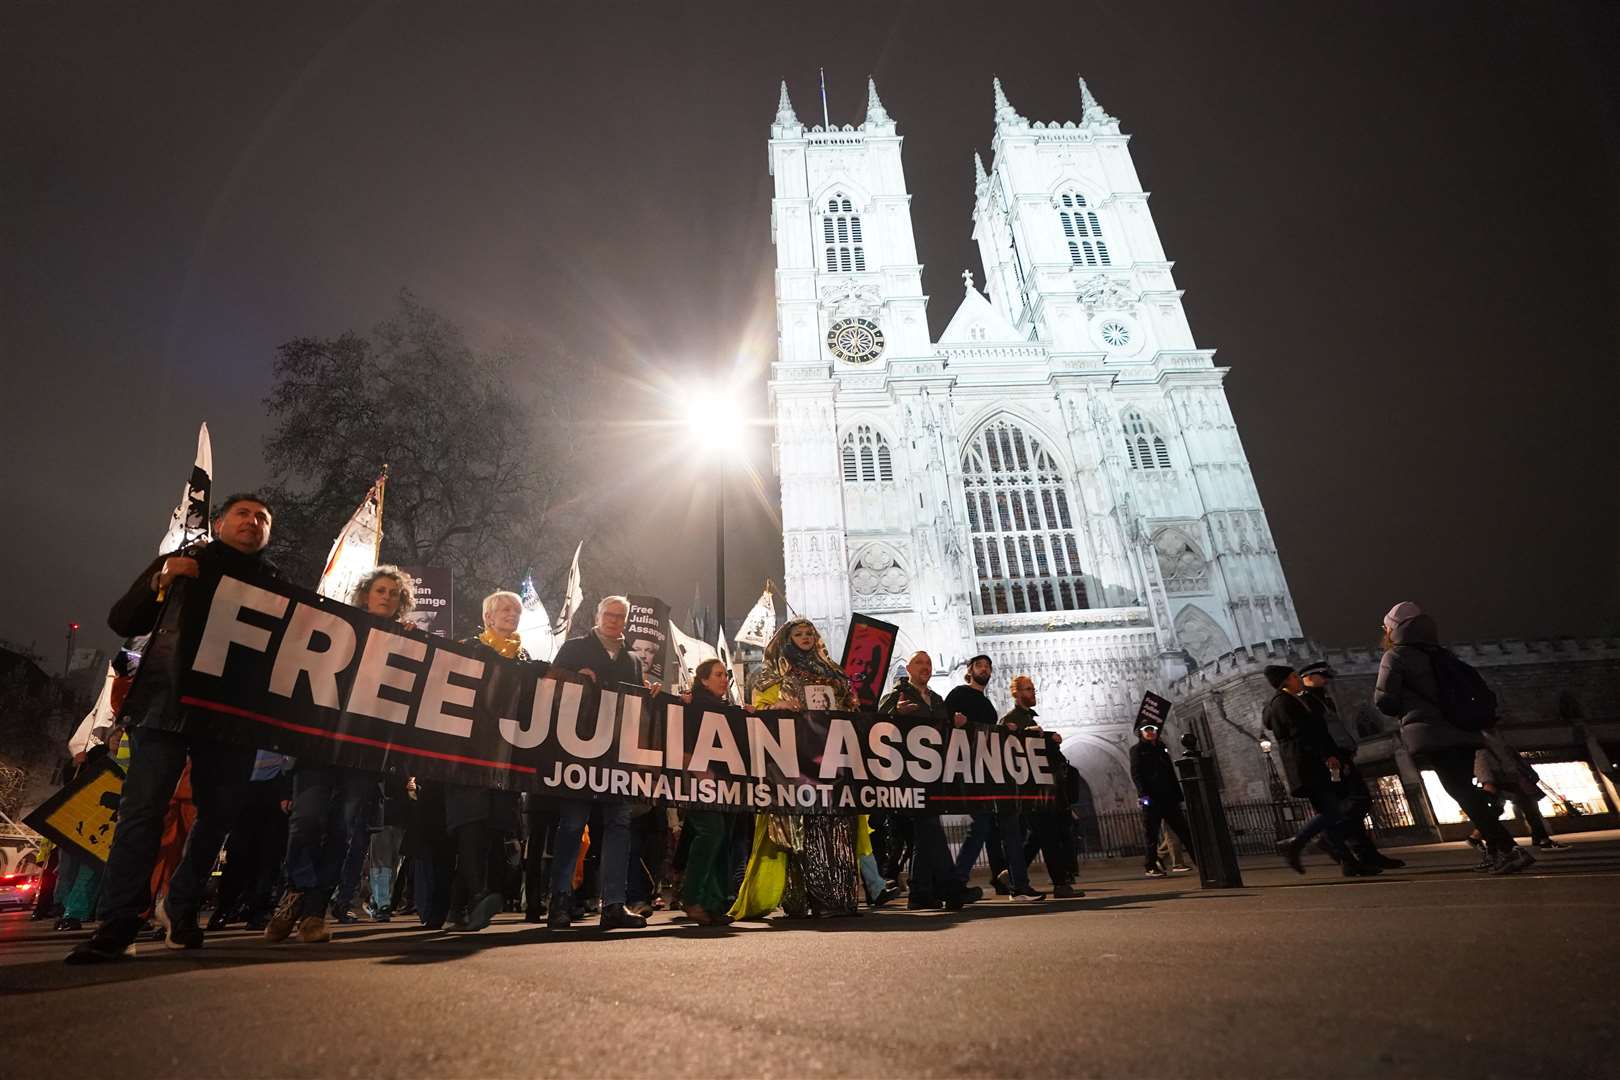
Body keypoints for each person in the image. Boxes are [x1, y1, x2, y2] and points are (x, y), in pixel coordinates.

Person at [68, 494, 277, 964]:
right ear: (221, 522)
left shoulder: (278, 587)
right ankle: (119, 921)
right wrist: (161, 582)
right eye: (243, 514)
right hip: (166, 705)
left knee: (218, 816)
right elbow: (124, 619)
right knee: (142, 811)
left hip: (231, 718)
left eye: (262, 519)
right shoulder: (183, 562)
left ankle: (180, 908)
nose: (252, 523)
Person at [265, 567, 412, 945]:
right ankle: (297, 890)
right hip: (318, 748)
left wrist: (414, 648)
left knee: (343, 830)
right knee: (306, 821)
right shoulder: (336, 628)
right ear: (365, 594)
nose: (386, 597)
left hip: (363, 755)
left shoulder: (409, 643)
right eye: (380, 591)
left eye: (394, 594)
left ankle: (313, 911)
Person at [1374, 601, 1535, 875]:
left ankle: (1508, 848)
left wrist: (1406, 708)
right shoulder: (1442, 655)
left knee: (1460, 791)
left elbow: (1384, 701)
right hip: (1464, 731)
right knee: (1467, 789)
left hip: (1433, 734)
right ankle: (1497, 852)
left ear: (1393, 629)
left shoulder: (1396, 657)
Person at [730, 619, 862, 919]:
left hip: (832, 765)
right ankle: (800, 897)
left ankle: (835, 898)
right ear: (787, 640)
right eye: (798, 634)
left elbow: (851, 710)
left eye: (809, 633)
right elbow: (757, 713)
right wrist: (776, 708)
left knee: (835, 828)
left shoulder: (833, 673)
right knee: (797, 833)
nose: (805, 637)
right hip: (793, 766)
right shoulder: (772, 674)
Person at [546, 595, 651, 931]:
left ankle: (614, 905)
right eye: (610, 615)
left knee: (619, 826)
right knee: (573, 827)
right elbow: (549, 682)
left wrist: (648, 693)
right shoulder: (576, 647)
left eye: (621, 616)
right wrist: (573, 675)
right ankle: (560, 902)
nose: (614, 620)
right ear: (598, 616)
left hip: (616, 756)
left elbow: (633, 703)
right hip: (578, 751)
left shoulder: (633, 659)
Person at [440, 589, 527, 932]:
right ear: (487, 618)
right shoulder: (468, 650)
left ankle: (455, 910)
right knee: (471, 828)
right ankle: (477, 897)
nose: (511, 614)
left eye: (516, 611)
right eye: (504, 609)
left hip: (503, 762)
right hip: (467, 758)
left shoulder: (523, 658)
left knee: (490, 832)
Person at [876, 652, 982, 910]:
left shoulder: (937, 700)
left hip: (934, 775)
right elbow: (876, 725)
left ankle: (920, 893)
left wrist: (958, 724)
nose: (925, 667)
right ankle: (951, 888)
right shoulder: (896, 695)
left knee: (926, 832)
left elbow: (944, 733)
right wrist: (895, 714)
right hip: (908, 776)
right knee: (928, 826)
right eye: (919, 663)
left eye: (928, 663)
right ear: (908, 669)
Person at [1264, 665, 1379, 877]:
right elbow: (1304, 734)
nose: (1298, 679)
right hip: (1309, 765)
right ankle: (1297, 842)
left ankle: (1348, 862)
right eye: (1294, 676)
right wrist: (1327, 755)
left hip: (1307, 764)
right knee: (1333, 811)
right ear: (1286, 680)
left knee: (1332, 812)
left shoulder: (1287, 701)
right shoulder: (1285, 702)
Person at [949, 655, 1043, 901]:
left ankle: (1019, 885)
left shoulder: (989, 707)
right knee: (981, 826)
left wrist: (1008, 731)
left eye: (988, 666)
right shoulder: (959, 694)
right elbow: (945, 725)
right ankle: (956, 882)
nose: (985, 669)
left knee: (1010, 824)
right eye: (980, 665)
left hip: (993, 770)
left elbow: (991, 735)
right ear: (969, 670)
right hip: (974, 771)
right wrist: (956, 723)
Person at [1298, 661, 1404, 870]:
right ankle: (1332, 837)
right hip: (1332, 760)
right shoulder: (1305, 702)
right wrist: (1329, 756)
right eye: (1323, 676)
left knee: (1350, 805)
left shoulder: (1321, 698)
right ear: (1309, 677)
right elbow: (1315, 734)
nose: (1327, 680)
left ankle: (1367, 854)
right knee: (1360, 800)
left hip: (1340, 756)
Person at [1005, 676, 1083, 898]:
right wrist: (1038, 737)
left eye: (1033, 689)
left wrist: (1049, 739)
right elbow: (1012, 750)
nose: (1033, 693)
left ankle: (1009, 874)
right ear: (1016, 693)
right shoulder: (1011, 719)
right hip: (1031, 791)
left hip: (1042, 787)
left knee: (1039, 837)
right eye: (1029, 689)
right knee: (1049, 836)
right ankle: (1060, 885)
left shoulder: (1028, 717)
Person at [678, 658, 737, 925]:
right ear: (703, 680)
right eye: (717, 675)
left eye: (726, 675)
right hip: (699, 781)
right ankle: (692, 898)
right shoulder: (695, 706)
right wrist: (695, 770)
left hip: (722, 784)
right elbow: (685, 741)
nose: (724, 679)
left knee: (720, 838)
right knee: (711, 833)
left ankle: (714, 903)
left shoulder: (722, 708)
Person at [1476, 735, 1569, 851]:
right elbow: (1482, 762)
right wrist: (1487, 781)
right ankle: (1542, 840)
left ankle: (1476, 836)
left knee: (1502, 810)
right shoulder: (1485, 742)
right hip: (1505, 782)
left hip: (1509, 781)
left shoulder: (1494, 739)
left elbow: (1510, 760)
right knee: (1529, 809)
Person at [1129, 722, 1195, 878]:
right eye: (1147, 730)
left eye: (1153, 729)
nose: (1151, 732)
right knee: (1151, 835)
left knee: (1184, 831)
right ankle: (1150, 866)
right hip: (1151, 799)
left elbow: (1170, 772)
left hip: (1168, 798)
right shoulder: (1137, 750)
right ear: (1141, 733)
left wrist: (1178, 795)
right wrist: (1143, 795)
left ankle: (1201, 860)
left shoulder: (1161, 747)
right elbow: (1136, 774)